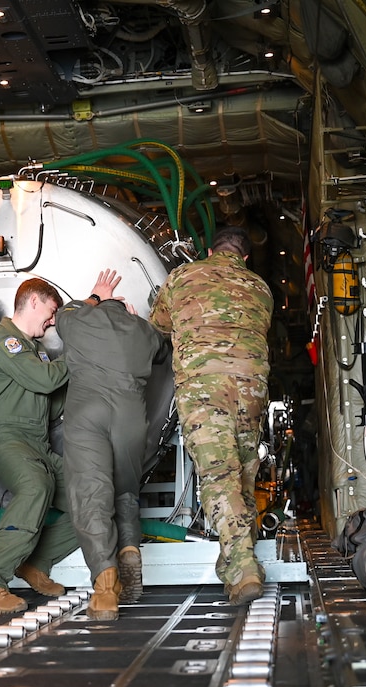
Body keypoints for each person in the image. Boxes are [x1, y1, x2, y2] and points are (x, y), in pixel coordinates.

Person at [0, 272, 117, 613]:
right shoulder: (3, 340)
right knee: (35, 487)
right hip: (7, 440)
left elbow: (53, 404)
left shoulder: (34, 351)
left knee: (92, 497)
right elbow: (44, 380)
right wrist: (80, 350)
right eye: (51, 313)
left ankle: (36, 562)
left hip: (38, 444)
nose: (52, 323)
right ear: (33, 301)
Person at [149, 226, 273, 607]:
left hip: (205, 387)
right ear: (245, 256)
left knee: (220, 476)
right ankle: (233, 560)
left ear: (208, 249)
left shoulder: (183, 277)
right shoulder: (261, 288)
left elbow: (159, 326)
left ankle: (242, 565)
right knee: (244, 473)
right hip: (251, 387)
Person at [55, 269, 168, 620]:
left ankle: (106, 587)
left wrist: (95, 296)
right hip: (131, 420)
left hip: (89, 416)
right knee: (125, 492)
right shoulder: (144, 332)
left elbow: (63, 315)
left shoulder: (80, 320)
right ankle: (130, 548)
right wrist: (137, 321)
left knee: (92, 494)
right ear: (127, 310)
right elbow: (164, 350)